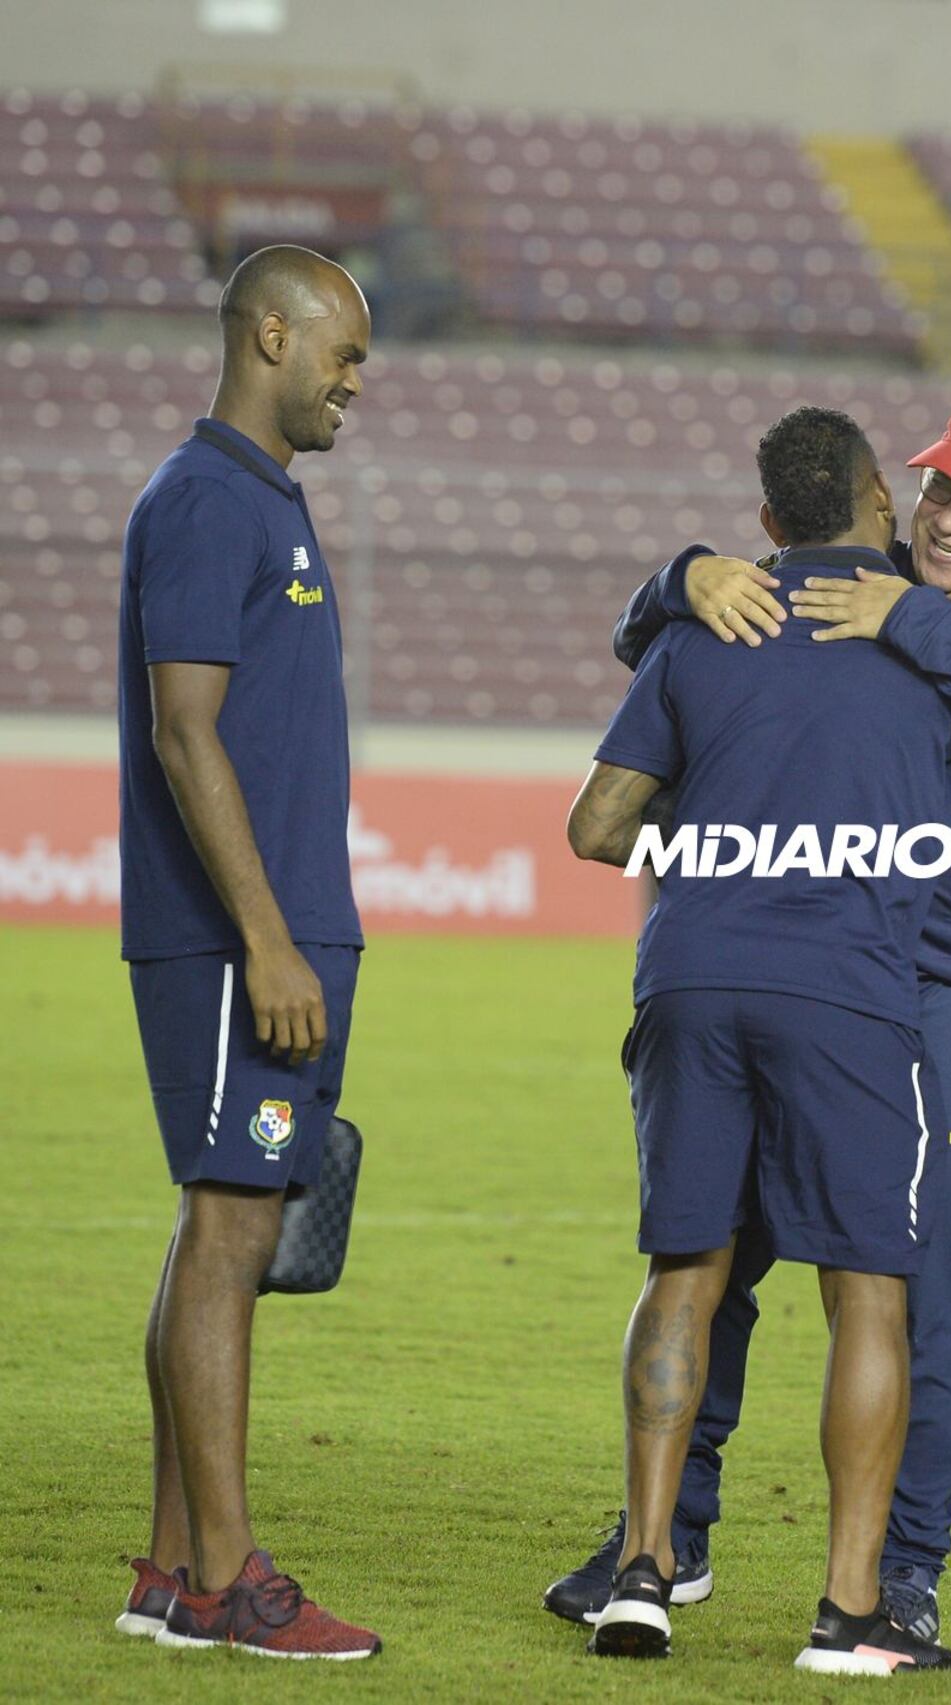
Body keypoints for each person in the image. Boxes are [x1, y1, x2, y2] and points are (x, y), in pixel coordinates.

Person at [547, 387, 951, 1644]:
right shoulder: (855, 572)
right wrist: (680, 577)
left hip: (941, 988)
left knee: (919, 1291)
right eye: (941, 489)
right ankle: (669, 1538)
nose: (949, 521)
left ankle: (901, 1572)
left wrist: (916, 622)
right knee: (718, 1253)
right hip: (815, 966)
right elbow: (656, 634)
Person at [566, 406, 951, 1674]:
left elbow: (595, 827)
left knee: (686, 1269)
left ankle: (643, 1570)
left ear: (766, 523)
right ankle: (848, 1611)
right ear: (878, 501)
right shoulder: (924, 633)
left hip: (691, 975)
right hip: (844, 989)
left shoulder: (704, 627)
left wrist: (721, 846)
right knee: (868, 1292)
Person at [114, 245, 381, 1660]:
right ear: (271, 334)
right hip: (237, 947)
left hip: (273, 938)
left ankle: (173, 1569)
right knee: (231, 1236)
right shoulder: (209, 499)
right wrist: (270, 940)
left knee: (220, 1229)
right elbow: (184, 729)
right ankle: (228, 1581)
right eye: (344, 353)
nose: (355, 382)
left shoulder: (258, 495)